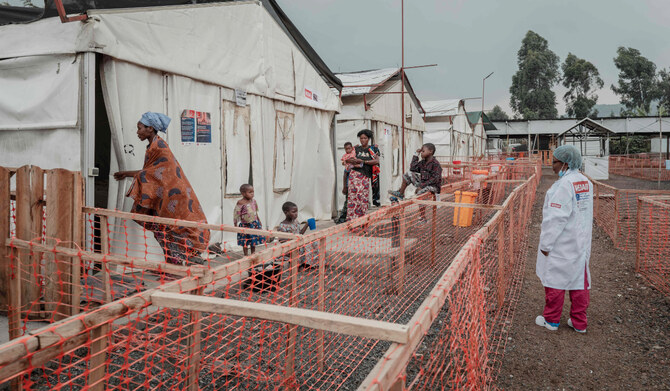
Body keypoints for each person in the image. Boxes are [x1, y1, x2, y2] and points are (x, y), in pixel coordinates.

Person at [113, 112, 210, 266]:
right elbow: (152, 172)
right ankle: (172, 267)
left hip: (175, 199)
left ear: (150, 128)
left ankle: (179, 266)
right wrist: (127, 173)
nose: (137, 132)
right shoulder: (153, 147)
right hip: (164, 199)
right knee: (162, 232)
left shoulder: (160, 147)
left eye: (140, 128)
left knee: (173, 231)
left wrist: (127, 173)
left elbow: (154, 173)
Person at [535, 145, 593, 333]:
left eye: (554, 162)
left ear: (565, 164)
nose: (552, 166)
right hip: (580, 242)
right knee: (579, 282)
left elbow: (555, 218)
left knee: (555, 282)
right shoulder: (585, 182)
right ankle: (579, 323)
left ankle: (551, 320)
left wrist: (546, 244)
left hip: (562, 242)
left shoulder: (563, 186)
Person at [344, 129, 379, 221]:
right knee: (352, 199)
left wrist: (363, 161)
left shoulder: (373, 149)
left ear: (369, 139)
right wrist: (351, 160)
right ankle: (352, 222)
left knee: (362, 199)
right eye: (361, 138)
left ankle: (363, 221)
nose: (363, 140)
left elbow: (376, 161)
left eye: (365, 138)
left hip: (364, 177)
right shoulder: (356, 149)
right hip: (353, 176)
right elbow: (346, 159)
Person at [276, 201, 319, 268]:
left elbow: (300, 233)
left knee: (313, 242)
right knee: (306, 246)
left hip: (299, 244)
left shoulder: (295, 222)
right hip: (291, 248)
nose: (296, 214)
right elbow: (282, 241)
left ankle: (312, 263)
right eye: (293, 212)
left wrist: (307, 224)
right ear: (286, 212)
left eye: (297, 212)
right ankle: (303, 263)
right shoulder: (282, 226)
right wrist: (293, 244)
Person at [234, 184, 266, 256]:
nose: (252, 194)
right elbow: (236, 214)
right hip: (245, 225)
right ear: (243, 193)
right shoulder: (240, 203)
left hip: (254, 224)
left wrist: (259, 220)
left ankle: (253, 254)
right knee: (245, 241)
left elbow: (255, 212)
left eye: (253, 192)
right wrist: (235, 224)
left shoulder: (254, 201)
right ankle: (245, 255)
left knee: (253, 240)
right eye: (250, 192)